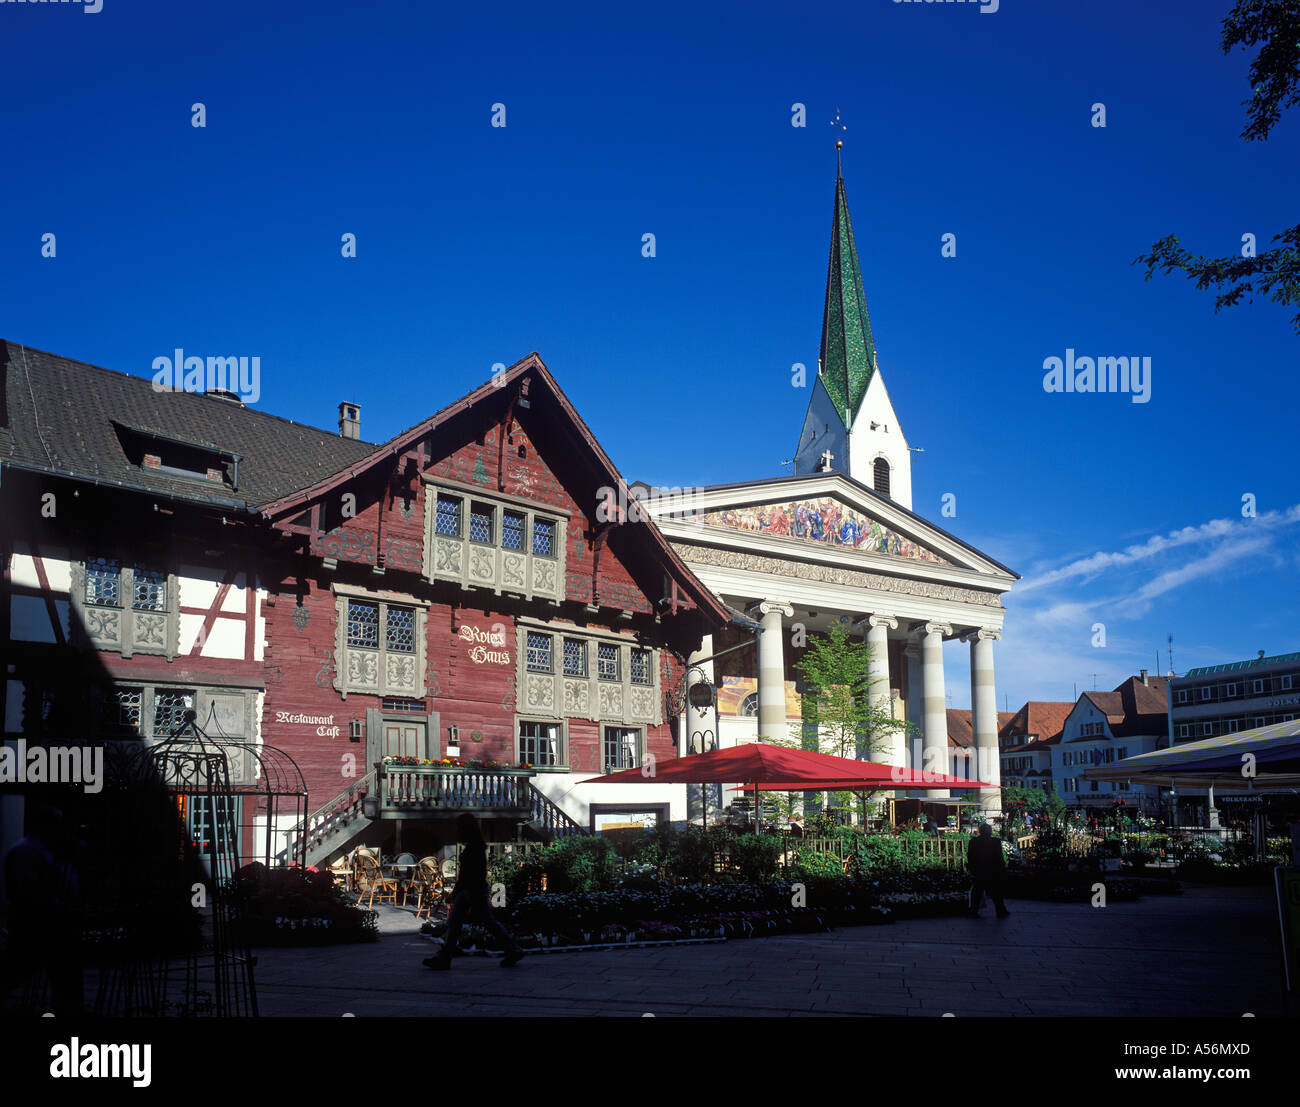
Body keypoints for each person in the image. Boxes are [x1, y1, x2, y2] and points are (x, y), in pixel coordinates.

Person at [423, 814, 525, 969]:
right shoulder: (475, 846)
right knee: (457, 923)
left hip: (472, 890)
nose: (456, 831)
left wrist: (455, 893)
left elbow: (466, 875)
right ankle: (445, 956)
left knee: (484, 922)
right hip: (472, 890)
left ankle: (513, 949)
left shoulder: (473, 848)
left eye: (458, 827)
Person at [966, 822, 1010, 918]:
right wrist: (1002, 868)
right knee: (996, 892)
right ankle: (1000, 910)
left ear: (980, 831)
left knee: (977, 891)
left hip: (979, 869)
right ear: (990, 832)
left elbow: (970, 856)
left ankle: (974, 910)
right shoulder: (995, 842)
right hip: (992, 870)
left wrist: (971, 867)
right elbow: (999, 857)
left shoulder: (973, 841)